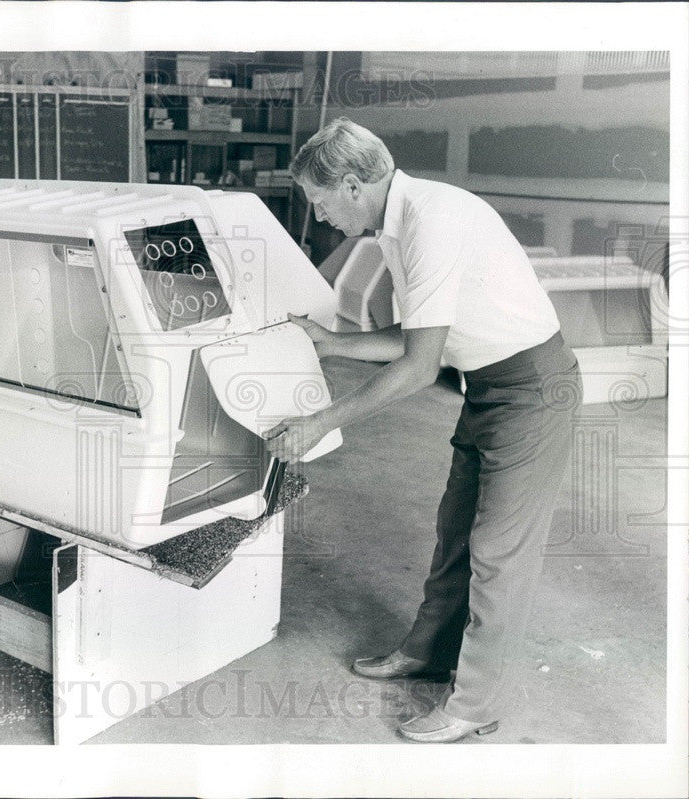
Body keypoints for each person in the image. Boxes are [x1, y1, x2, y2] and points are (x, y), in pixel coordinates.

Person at [265, 117, 582, 743]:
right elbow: (423, 342)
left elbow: (417, 368)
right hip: (486, 385)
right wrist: (333, 342)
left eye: (321, 201)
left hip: (534, 389)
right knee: (455, 530)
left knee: (499, 553)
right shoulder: (396, 223)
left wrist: (320, 422)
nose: (320, 218)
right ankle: (428, 651)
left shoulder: (431, 221)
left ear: (354, 185)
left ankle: (474, 706)